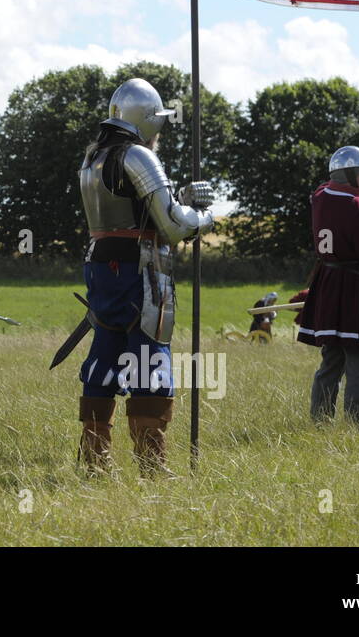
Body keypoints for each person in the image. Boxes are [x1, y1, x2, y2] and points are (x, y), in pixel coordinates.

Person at [76, 78, 215, 476]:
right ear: (147, 119)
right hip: (140, 270)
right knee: (149, 359)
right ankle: (152, 466)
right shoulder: (137, 155)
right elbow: (171, 226)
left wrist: (179, 200)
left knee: (104, 358)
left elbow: (144, 210)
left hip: (101, 267)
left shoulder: (93, 157)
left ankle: (93, 463)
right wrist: (203, 215)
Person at [296, 117, 359, 431]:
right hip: (357, 289)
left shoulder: (320, 197)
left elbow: (353, 182)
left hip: (329, 285)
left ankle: (321, 422)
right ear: (353, 175)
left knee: (331, 360)